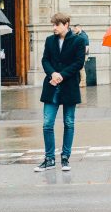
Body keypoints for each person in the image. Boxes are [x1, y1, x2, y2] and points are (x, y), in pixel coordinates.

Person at [34, 13, 86, 172]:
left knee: (68, 123)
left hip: (69, 85)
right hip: (51, 86)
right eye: (53, 25)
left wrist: (61, 75)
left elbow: (79, 62)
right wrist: (52, 74)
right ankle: (49, 158)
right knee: (47, 124)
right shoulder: (50, 40)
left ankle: (65, 157)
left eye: (57, 25)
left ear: (66, 24)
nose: (54, 28)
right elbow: (45, 60)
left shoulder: (78, 41)